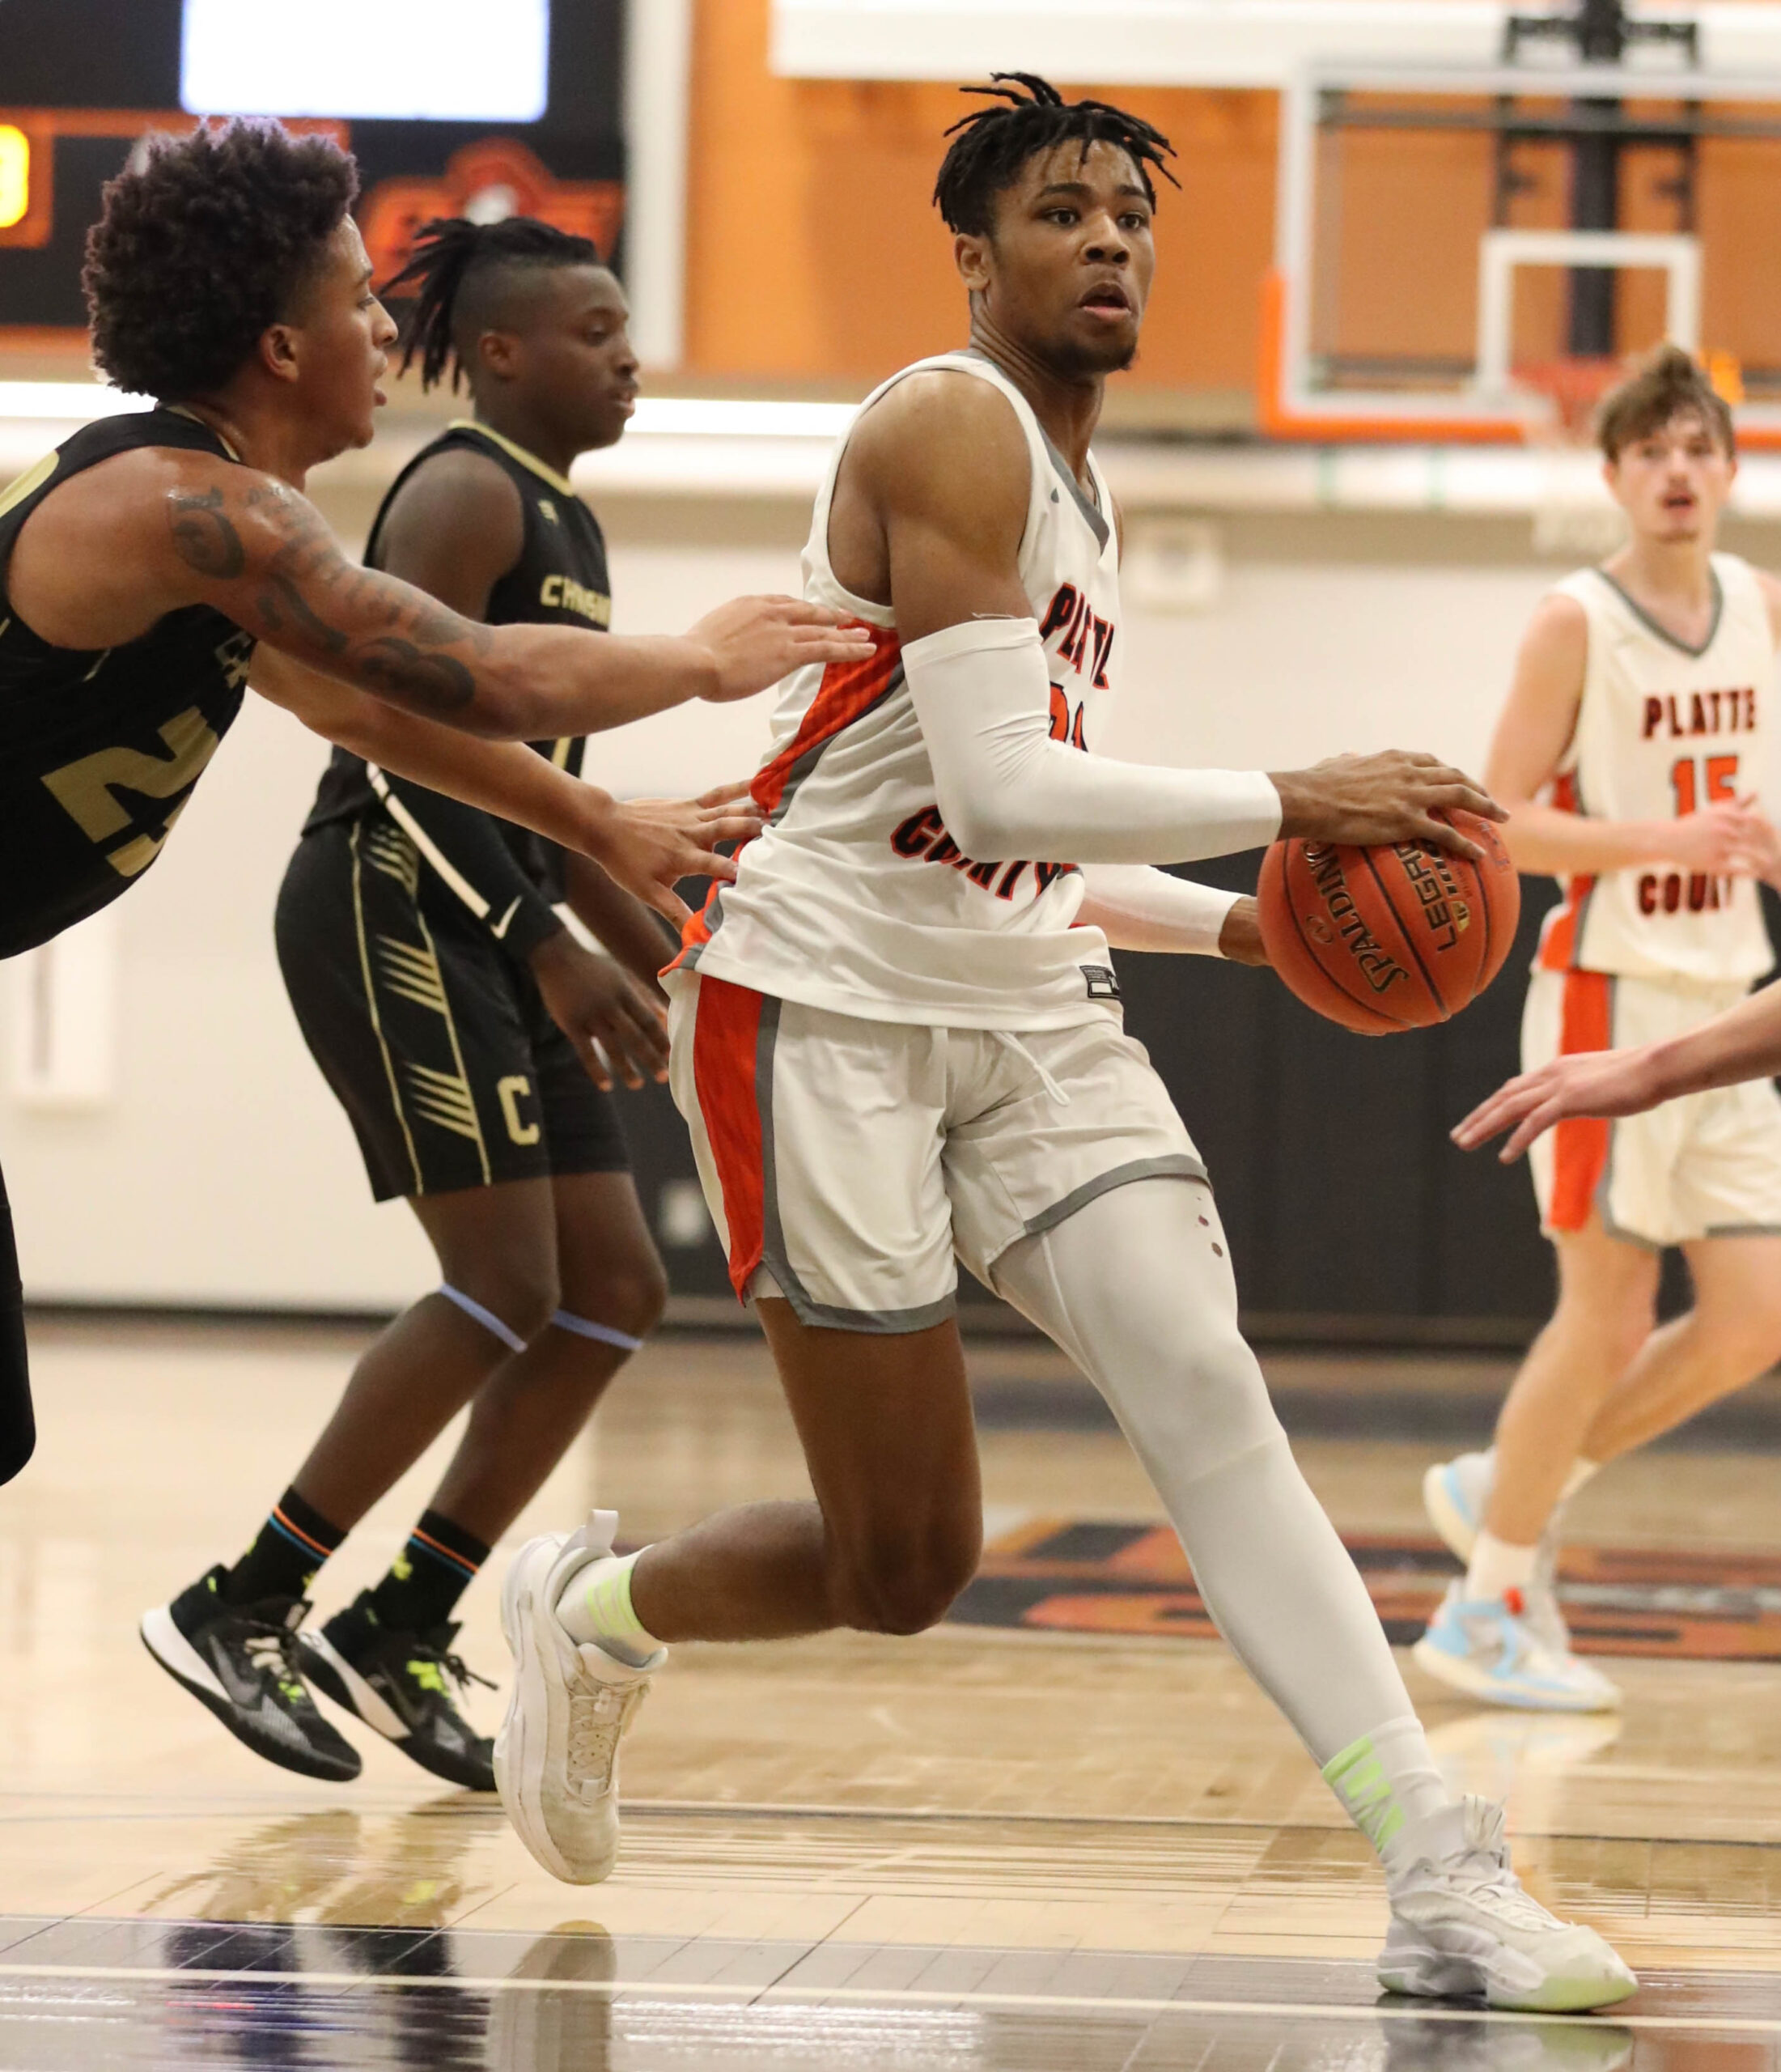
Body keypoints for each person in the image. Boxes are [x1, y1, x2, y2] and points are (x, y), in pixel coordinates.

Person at [487, 76, 1636, 2013]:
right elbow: (1004, 792)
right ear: (975, 256)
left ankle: (1442, 1866)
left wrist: (1240, 922)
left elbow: (1016, 848)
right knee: (903, 1565)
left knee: (1208, 1387)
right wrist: (1293, 799)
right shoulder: (950, 425)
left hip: (1026, 1008)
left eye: (1130, 214)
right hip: (822, 1013)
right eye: (1061, 212)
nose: (1109, 239)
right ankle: (593, 1608)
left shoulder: (1089, 493)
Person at [0, 117, 871, 1493]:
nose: (386, 328)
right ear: (282, 348)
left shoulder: (205, 533)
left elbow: (368, 713)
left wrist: (597, 824)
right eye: (358, 299)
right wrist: (702, 661)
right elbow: (484, 673)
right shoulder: (192, 509)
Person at [142, 218, 684, 1788]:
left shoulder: (570, 523)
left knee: (612, 1287)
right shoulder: (462, 489)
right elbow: (395, 746)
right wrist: (545, 940)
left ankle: (402, 1618)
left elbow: (543, 796)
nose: (629, 357)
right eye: (596, 331)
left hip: (499, 914)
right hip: (393, 896)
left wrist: (671, 951)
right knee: (503, 1278)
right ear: (502, 353)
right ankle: (241, 1600)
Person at [1414, 346, 1781, 1714]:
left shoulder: (1760, 605)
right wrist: (1657, 840)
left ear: (1729, 468)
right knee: (1609, 1312)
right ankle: (1488, 1606)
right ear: (1614, 475)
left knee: (1754, 1318)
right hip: (1606, 992)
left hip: (1731, 998)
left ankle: (1510, 1483)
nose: (1676, 471)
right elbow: (1493, 819)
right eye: (1649, 451)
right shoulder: (1574, 620)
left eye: (1697, 448)